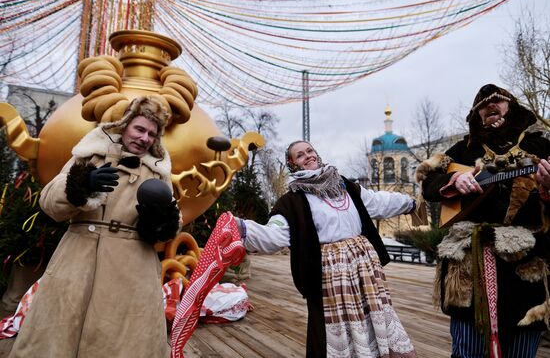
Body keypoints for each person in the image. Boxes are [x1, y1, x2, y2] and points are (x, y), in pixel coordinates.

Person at [9, 96, 181, 358]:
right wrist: (83, 183)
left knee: (126, 339)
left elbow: (174, 221)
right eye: (139, 129)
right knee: (59, 331)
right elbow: (48, 203)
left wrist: (160, 221)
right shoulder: (90, 156)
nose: (144, 138)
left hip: (133, 268)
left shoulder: (158, 172)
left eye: (151, 133)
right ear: (124, 125)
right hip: (78, 261)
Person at [235, 140, 417, 358]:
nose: (308, 156)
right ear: (292, 164)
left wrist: (410, 203)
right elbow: (275, 234)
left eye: (310, 151)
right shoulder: (293, 201)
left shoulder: (345, 186)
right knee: (336, 330)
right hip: (331, 275)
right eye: (300, 155)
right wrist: (242, 229)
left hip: (365, 271)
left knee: (373, 318)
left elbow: (378, 202)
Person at [416, 84, 550, 358]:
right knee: (468, 348)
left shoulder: (540, 144)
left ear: (510, 106)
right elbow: (427, 179)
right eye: (483, 105)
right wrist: (453, 180)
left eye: (498, 101)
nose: (491, 106)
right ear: (476, 115)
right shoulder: (464, 149)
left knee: (522, 348)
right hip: (470, 264)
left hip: (526, 260)